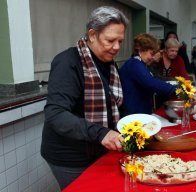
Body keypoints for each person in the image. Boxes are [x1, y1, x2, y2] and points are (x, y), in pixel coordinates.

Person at [40, 6, 129, 189]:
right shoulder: (68, 62)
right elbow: (55, 113)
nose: (117, 47)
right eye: (111, 40)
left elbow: (113, 104)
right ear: (92, 35)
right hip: (70, 156)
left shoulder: (109, 64)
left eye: (120, 41)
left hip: (98, 149)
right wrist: (101, 133)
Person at [119, 33, 177, 114]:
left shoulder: (140, 63)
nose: (153, 57)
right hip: (133, 114)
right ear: (141, 50)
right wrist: (177, 90)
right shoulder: (135, 64)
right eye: (151, 54)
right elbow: (151, 83)